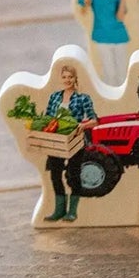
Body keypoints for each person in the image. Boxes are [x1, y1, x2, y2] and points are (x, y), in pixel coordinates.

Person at [42, 62, 98, 223]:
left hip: (75, 141)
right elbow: (48, 117)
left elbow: (94, 120)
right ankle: (59, 210)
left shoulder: (83, 98)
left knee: (73, 175)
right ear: (61, 79)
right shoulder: (54, 97)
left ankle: (72, 211)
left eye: (70, 77)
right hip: (56, 141)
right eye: (64, 77)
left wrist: (83, 125)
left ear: (75, 79)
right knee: (55, 175)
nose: (67, 80)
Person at [77, 0, 133, 85]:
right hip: (102, 35)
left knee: (122, 73)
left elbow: (120, 18)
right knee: (109, 73)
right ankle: (111, 101)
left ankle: (122, 101)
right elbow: (82, 11)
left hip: (119, 36)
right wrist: (86, 3)